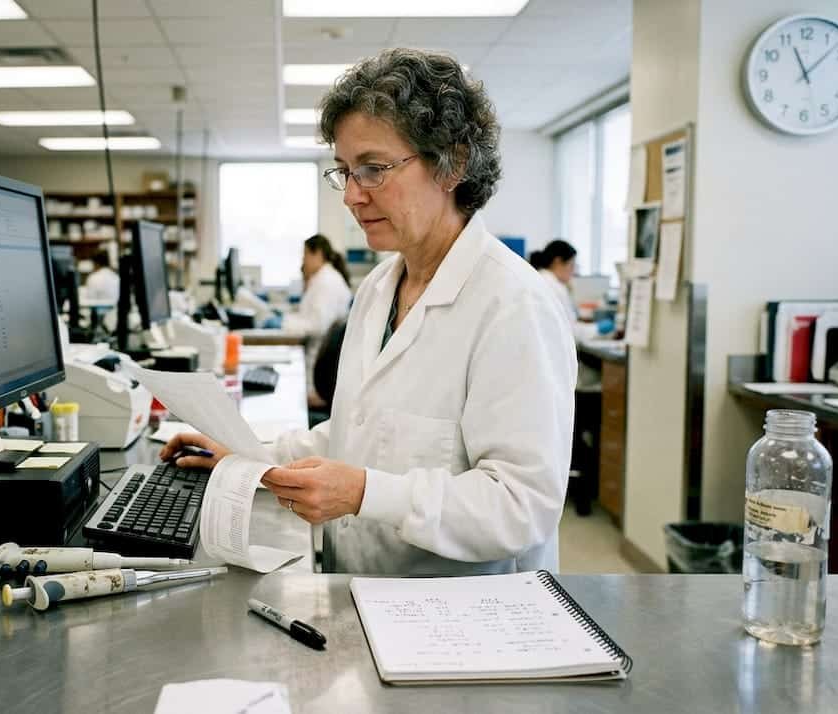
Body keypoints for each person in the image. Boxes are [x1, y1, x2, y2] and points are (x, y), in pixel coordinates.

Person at [161, 48, 577, 576]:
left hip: (462, 620)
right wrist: (248, 454)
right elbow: (356, 433)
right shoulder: (382, 286)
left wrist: (363, 492)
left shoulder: (514, 305)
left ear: (452, 163)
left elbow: (522, 507)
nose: (352, 196)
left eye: (374, 169)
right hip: (360, 595)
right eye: (345, 172)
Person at [283, 234, 353, 407]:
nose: (303, 260)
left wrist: (284, 323)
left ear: (318, 254)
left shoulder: (327, 282)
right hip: (315, 366)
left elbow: (317, 325)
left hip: (317, 377)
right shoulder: (323, 279)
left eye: (305, 254)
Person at [529, 239, 578, 320]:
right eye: (571, 265)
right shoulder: (555, 287)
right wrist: (596, 328)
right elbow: (571, 328)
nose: (573, 271)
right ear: (557, 262)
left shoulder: (539, 277)